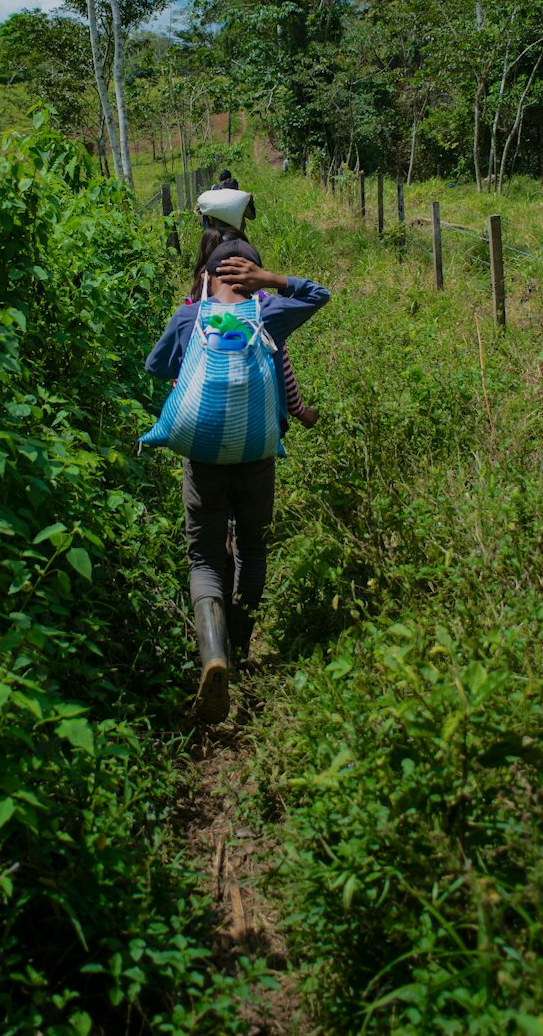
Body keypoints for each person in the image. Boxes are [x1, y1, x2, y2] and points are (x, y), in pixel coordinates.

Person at [145, 239, 330, 723]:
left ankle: (214, 655)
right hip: (256, 454)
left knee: (204, 554)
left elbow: (156, 366)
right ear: (250, 275)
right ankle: (243, 650)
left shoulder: (190, 317)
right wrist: (270, 282)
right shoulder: (267, 316)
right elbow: (319, 294)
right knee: (252, 547)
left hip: (203, 458)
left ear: (205, 279)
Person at [188, 227, 319, 429]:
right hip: (257, 429)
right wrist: (299, 411)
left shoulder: (191, 310)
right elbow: (280, 366)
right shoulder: (265, 310)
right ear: (249, 269)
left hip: (199, 426)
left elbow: (164, 369)